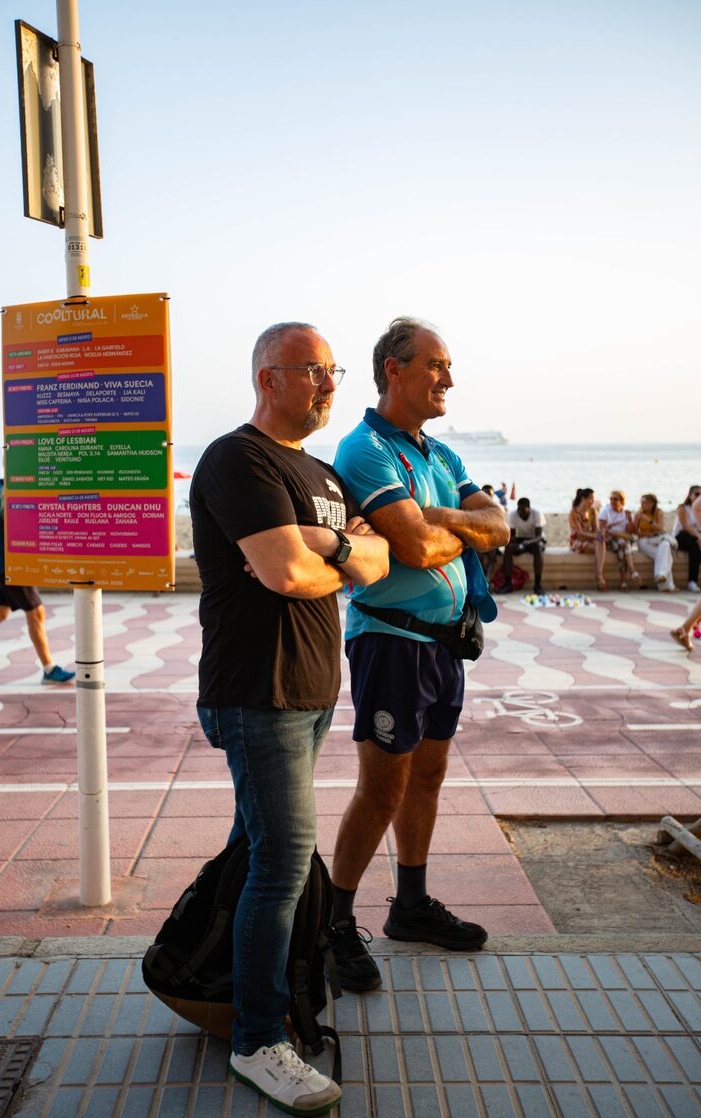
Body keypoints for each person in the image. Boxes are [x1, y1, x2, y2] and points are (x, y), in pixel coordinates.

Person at [189, 323, 388, 1114]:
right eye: (314, 372)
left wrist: (326, 546)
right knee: (280, 862)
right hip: (254, 689)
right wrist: (330, 555)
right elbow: (281, 572)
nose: (330, 385)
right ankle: (257, 1040)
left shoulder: (323, 474)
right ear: (269, 378)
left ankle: (201, 971)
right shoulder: (237, 458)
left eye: (333, 371)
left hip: (309, 689)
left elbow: (374, 563)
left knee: (259, 849)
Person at [327, 317, 509, 993]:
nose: (449, 379)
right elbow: (412, 549)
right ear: (393, 370)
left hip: (443, 643)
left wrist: (438, 520)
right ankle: (335, 923)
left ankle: (409, 905)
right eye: (435, 365)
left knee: (426, 778)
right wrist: (447, 529)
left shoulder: (438, 454)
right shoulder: (364, 449)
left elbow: (490, 529)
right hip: (390, 641)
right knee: (380, 790)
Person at [0, 480, 75, 684]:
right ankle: (49, 669)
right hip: (9, 566)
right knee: (36, 612)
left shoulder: (18, 489)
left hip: (16, 563)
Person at [499, 496, 546, 595]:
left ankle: (537, 585)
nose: (521, 513)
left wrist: (526, 543)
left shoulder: (537, 514)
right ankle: (508, 584)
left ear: (529, 508)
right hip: (521, 539)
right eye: (519, 510)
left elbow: (539, 536)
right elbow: (512, 535)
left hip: (535, 540)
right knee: (508, 548)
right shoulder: (512, 515)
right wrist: (517, 544)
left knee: (538, 549)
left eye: (523, 510)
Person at [634, 493, 677, 592]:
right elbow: (635, 531)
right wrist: (647, 533)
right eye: (641, 502)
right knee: (665, 555)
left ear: (652, 504)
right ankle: (667, 583)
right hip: (644, 541)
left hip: (657, 540)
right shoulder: (638, 514)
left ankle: (662, 578)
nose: (642, 505)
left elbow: (661, 530)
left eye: (645, 503)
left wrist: (648, 520)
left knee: (665, 545)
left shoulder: (659, 513)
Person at [599, 490, 641, 591]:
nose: (612, 501)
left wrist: (630, 519)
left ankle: (624, 581)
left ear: (622, 501)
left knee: (622, 548)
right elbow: (601, 530)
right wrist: (610, 531)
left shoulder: (625, 513)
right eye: (611, 499)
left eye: (615, 499)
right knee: (624, 546)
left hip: (623, 540)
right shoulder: (606, 512)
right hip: (610, 539)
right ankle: (631, 572)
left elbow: (631, 532)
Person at [568, 487, 607, 590]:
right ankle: (600, 576)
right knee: (600, 547)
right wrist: (596, 536)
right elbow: (580, 533)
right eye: (590, 498)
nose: (592, 501)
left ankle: (599, 574)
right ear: (583, 499)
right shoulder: (574, 513)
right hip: (577, 540)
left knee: (601, 543)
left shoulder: (592, 511)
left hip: (590, 538)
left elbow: (595, 529)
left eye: (593, 499)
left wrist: (600, 533)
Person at [673, 485, 701, 592]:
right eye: (697, 494)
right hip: (680, 537)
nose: (699, 497)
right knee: (695, 546)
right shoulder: (682, 508)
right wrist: (699, 537)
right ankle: (692, 582)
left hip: (696, 536)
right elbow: (686, 527)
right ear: (690, 495)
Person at [478, 485, 501, 583]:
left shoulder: (497, 508)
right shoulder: (475, 506)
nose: (487, 496)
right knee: (479, 555)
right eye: (485, 494)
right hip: (479, 538)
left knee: (492, 556)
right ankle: (482, 579)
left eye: (489, 494)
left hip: (493, 538)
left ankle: (486, 578)